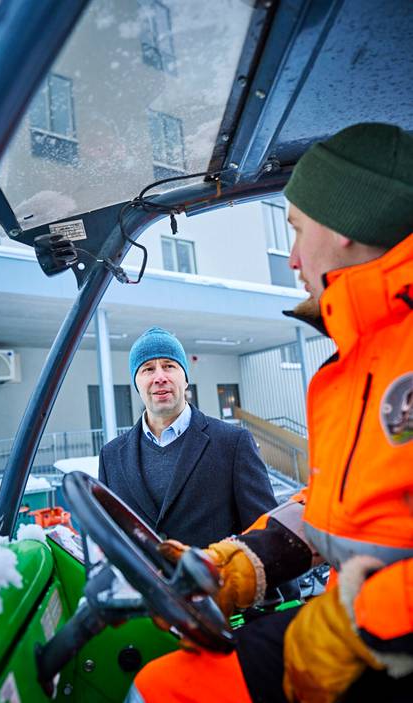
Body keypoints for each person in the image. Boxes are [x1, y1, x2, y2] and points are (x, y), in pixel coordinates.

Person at [125, 122, 413, 703]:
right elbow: (339, 509)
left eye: (297, 230)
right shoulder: (361, 362)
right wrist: (233, 567)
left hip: (385, 642)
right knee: (163, 683)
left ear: (345, 229)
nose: (290, 259)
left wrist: (350, 628)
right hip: (360, 626)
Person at [98, 326, 283, 552]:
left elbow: (266, 535)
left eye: (169, 366)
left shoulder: (233, 444)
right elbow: (109, 539)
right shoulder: (111, 457)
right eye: (147, 369)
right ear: (136, 383)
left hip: (216, 585)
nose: (159, 377)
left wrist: (284, 588)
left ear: (185, 378)